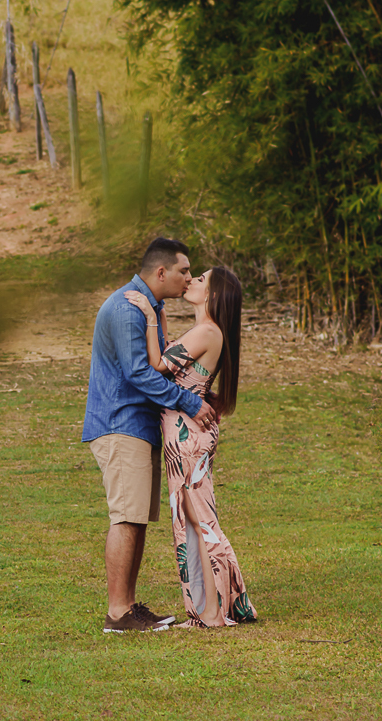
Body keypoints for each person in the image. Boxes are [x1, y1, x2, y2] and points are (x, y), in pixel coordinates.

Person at [83, 237, 217, 633]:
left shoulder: (148, 307)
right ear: (161, 272)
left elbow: (163, 362)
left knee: (136, 517)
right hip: (120, 424)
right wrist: (191, 403)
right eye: (184, 271)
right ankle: (117, 613)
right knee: (127, 517)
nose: (188, 277)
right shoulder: (127, 309)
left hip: (137, 427)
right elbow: (140, 374)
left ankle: (127, 608)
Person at [125, 265, 258, 628]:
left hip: (188, 437)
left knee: (200, 522)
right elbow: (170, 355)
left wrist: (149, 314)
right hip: (183, 435)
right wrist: (160, 312)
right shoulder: (204, 331)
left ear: (212, 295)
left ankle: (214, 612)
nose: (192, 280)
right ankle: (211, 609)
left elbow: (157, 365)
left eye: (200, 279)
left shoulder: (207, 332)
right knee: (192, 521)